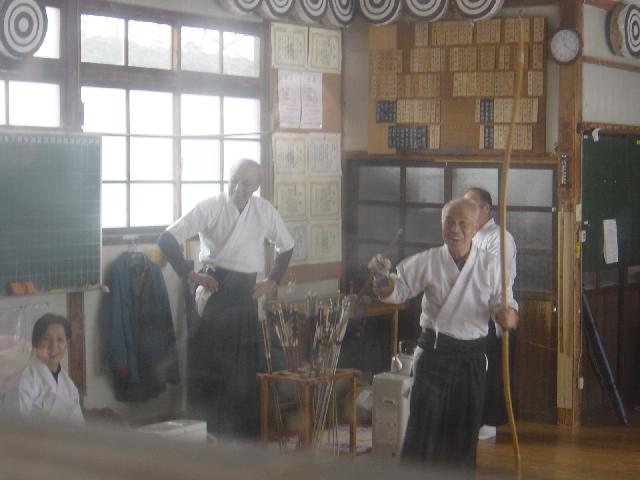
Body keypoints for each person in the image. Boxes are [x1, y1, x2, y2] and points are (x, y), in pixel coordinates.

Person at [371, 198, 518, 473]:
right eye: (449, 222)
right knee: (421, 433)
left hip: (470, 359)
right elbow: (396, 289)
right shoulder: (428, 261)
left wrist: (507, 316)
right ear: (442, 226)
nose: (455, 229)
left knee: (463, 435)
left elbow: (505, 303)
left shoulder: (491, 265)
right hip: (433, 356)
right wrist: (380, 277)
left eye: (463, 223)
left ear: (476, 229)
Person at [158, 158, 294, 439]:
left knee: (244, 372)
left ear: (256, 187)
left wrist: (271, 281)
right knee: (212, 368)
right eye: (234, 180)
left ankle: (243, 437)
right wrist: (191, 275)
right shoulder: (212, 207)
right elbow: (167, 239)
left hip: (245, 295)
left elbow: (287, 245)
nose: (238, 188)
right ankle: (207, 434)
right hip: (214, 293)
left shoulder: (264, 212)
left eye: (246, 184)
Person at [464, 187, 517, 441]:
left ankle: (487, 424)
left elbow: (496, 278)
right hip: (469, 315)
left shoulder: (500, 238)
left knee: (489, 370)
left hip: (491, 312)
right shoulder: (468, 234)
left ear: (487, 209)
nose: (468, 210)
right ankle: (471, 420)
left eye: (473, 205)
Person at [1, 313, 84, 426]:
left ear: (67, 344)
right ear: (36, 342)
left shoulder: (68, 383)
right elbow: (17, 432)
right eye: (46, 339)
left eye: (60, 340)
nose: (54, 346)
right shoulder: (23, 381)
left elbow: (79, 427)